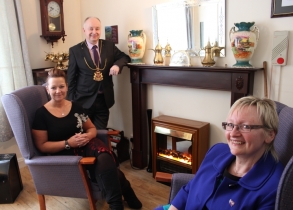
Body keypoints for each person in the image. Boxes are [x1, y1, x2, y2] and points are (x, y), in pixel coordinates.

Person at [32, 69, 142, 210]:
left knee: (103, 157)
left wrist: (88, 136)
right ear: (47, 89)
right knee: (105, 165)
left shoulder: (76, 106)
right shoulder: (41, 114)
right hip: (64, 152)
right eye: (53, 87)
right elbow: (42, 146)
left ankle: (116, 205)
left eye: (61, 86)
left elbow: (91, 129)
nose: (58, 91)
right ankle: (125, 190)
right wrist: (67, 143)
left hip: (85, 144)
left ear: (67, 86)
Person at [155, 96, 284, 210]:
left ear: (270, 134)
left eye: (245, 126)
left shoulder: (275, 188)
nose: (233, 133)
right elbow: (190, 188)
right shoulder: (216, 151)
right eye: (230, 124)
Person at [67, 16, 130, 129]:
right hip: (83, 101)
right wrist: (70, 102)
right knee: (84, 136)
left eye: (97, 29)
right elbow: (70, 78)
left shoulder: (109, 46)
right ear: (84, 30)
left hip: (104, 100)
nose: (94, 32)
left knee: (100, 134)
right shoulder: (75, 50)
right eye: (91, 29)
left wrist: (117, 65)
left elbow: (125, 57)